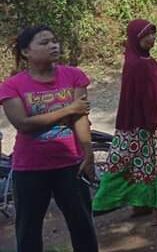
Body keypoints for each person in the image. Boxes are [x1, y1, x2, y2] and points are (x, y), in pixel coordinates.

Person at [0, 26, 98, 252]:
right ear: (26, 52)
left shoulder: (74, 75)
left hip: (71, 164)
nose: (53, 46)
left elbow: (80, 117)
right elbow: (23, 124)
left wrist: (88, 153)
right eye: (44, 43)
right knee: (28, 231)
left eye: (54, 41)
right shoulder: (12, 86)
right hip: (30, 168)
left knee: (83, 226)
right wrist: (68, 109)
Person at [93, 20, 157, 225]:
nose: (151, 38)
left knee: (132, 163)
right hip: (147, 125)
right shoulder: (140, 64)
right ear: (135, 38)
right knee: (153, 165)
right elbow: (148, 97)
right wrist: (153, 120)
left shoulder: (136, 59)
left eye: (152, 33)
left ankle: (140, 204)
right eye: (146, 35)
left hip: (134, 125)